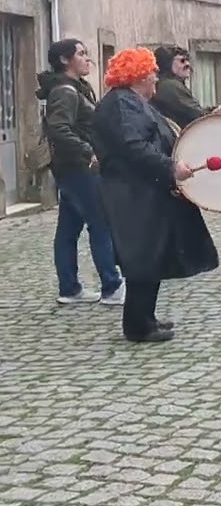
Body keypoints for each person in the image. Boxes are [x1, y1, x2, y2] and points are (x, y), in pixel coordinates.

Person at [91, 47, 219, 343]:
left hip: (143, 189)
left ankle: (146, 317)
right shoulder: (123, 105)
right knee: (143, 256)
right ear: (137, 77)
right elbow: (135, 147)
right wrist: (171, 167)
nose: (155, 80)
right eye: (151, 74)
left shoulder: (130, 101)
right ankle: (138, 326)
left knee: (151, 254)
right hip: (133, 193)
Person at [36, 39, 125, 306]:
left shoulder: (78, 88)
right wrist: (89, 151)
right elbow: (59, 129)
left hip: (72, 167)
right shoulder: (65, 91)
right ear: (65, 60)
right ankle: (112, 286)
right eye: (81, 54)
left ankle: (69, 288)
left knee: (69, 228)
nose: (88, 59)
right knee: (101, 223)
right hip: (78, 167)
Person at [151, 45, 210, 128]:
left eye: (187, 60)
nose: (187, 64)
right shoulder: (170, 86)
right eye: (182, 61)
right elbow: (198, 115)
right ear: (168, 63)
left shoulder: (165, 84)